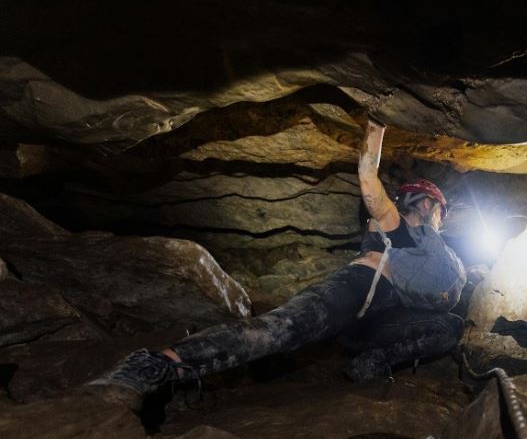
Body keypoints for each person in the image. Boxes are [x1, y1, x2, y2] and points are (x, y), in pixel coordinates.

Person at [86, 118, 464, 410]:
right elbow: (368, 177)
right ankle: (153, 365)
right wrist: (377, 126)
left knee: (449, 326)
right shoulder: (396, 224)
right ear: (427, 203)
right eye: (440, 213)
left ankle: (371, 364)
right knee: (278, 330)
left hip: (378, 320)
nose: (440, 222)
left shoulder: (427, 250)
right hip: (356, 290)